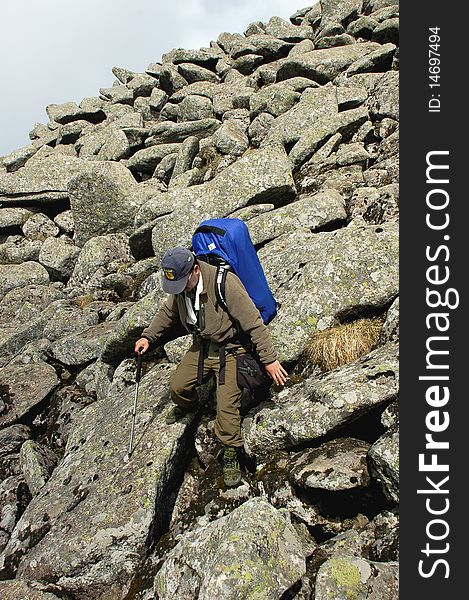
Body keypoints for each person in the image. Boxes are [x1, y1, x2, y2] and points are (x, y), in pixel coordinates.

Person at [134, 246, 288, 486]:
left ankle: (231, 451)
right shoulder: (182, 288)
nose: (180, 290)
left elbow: (254, 324)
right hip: (203, 346)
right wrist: (148, 337)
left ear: (196, 269)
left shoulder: (224, 283)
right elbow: (167, 313)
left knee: (226, 410)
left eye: (183, 283)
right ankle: (196, 407)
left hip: (231, 350)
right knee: (177, 388)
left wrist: (269, 360)